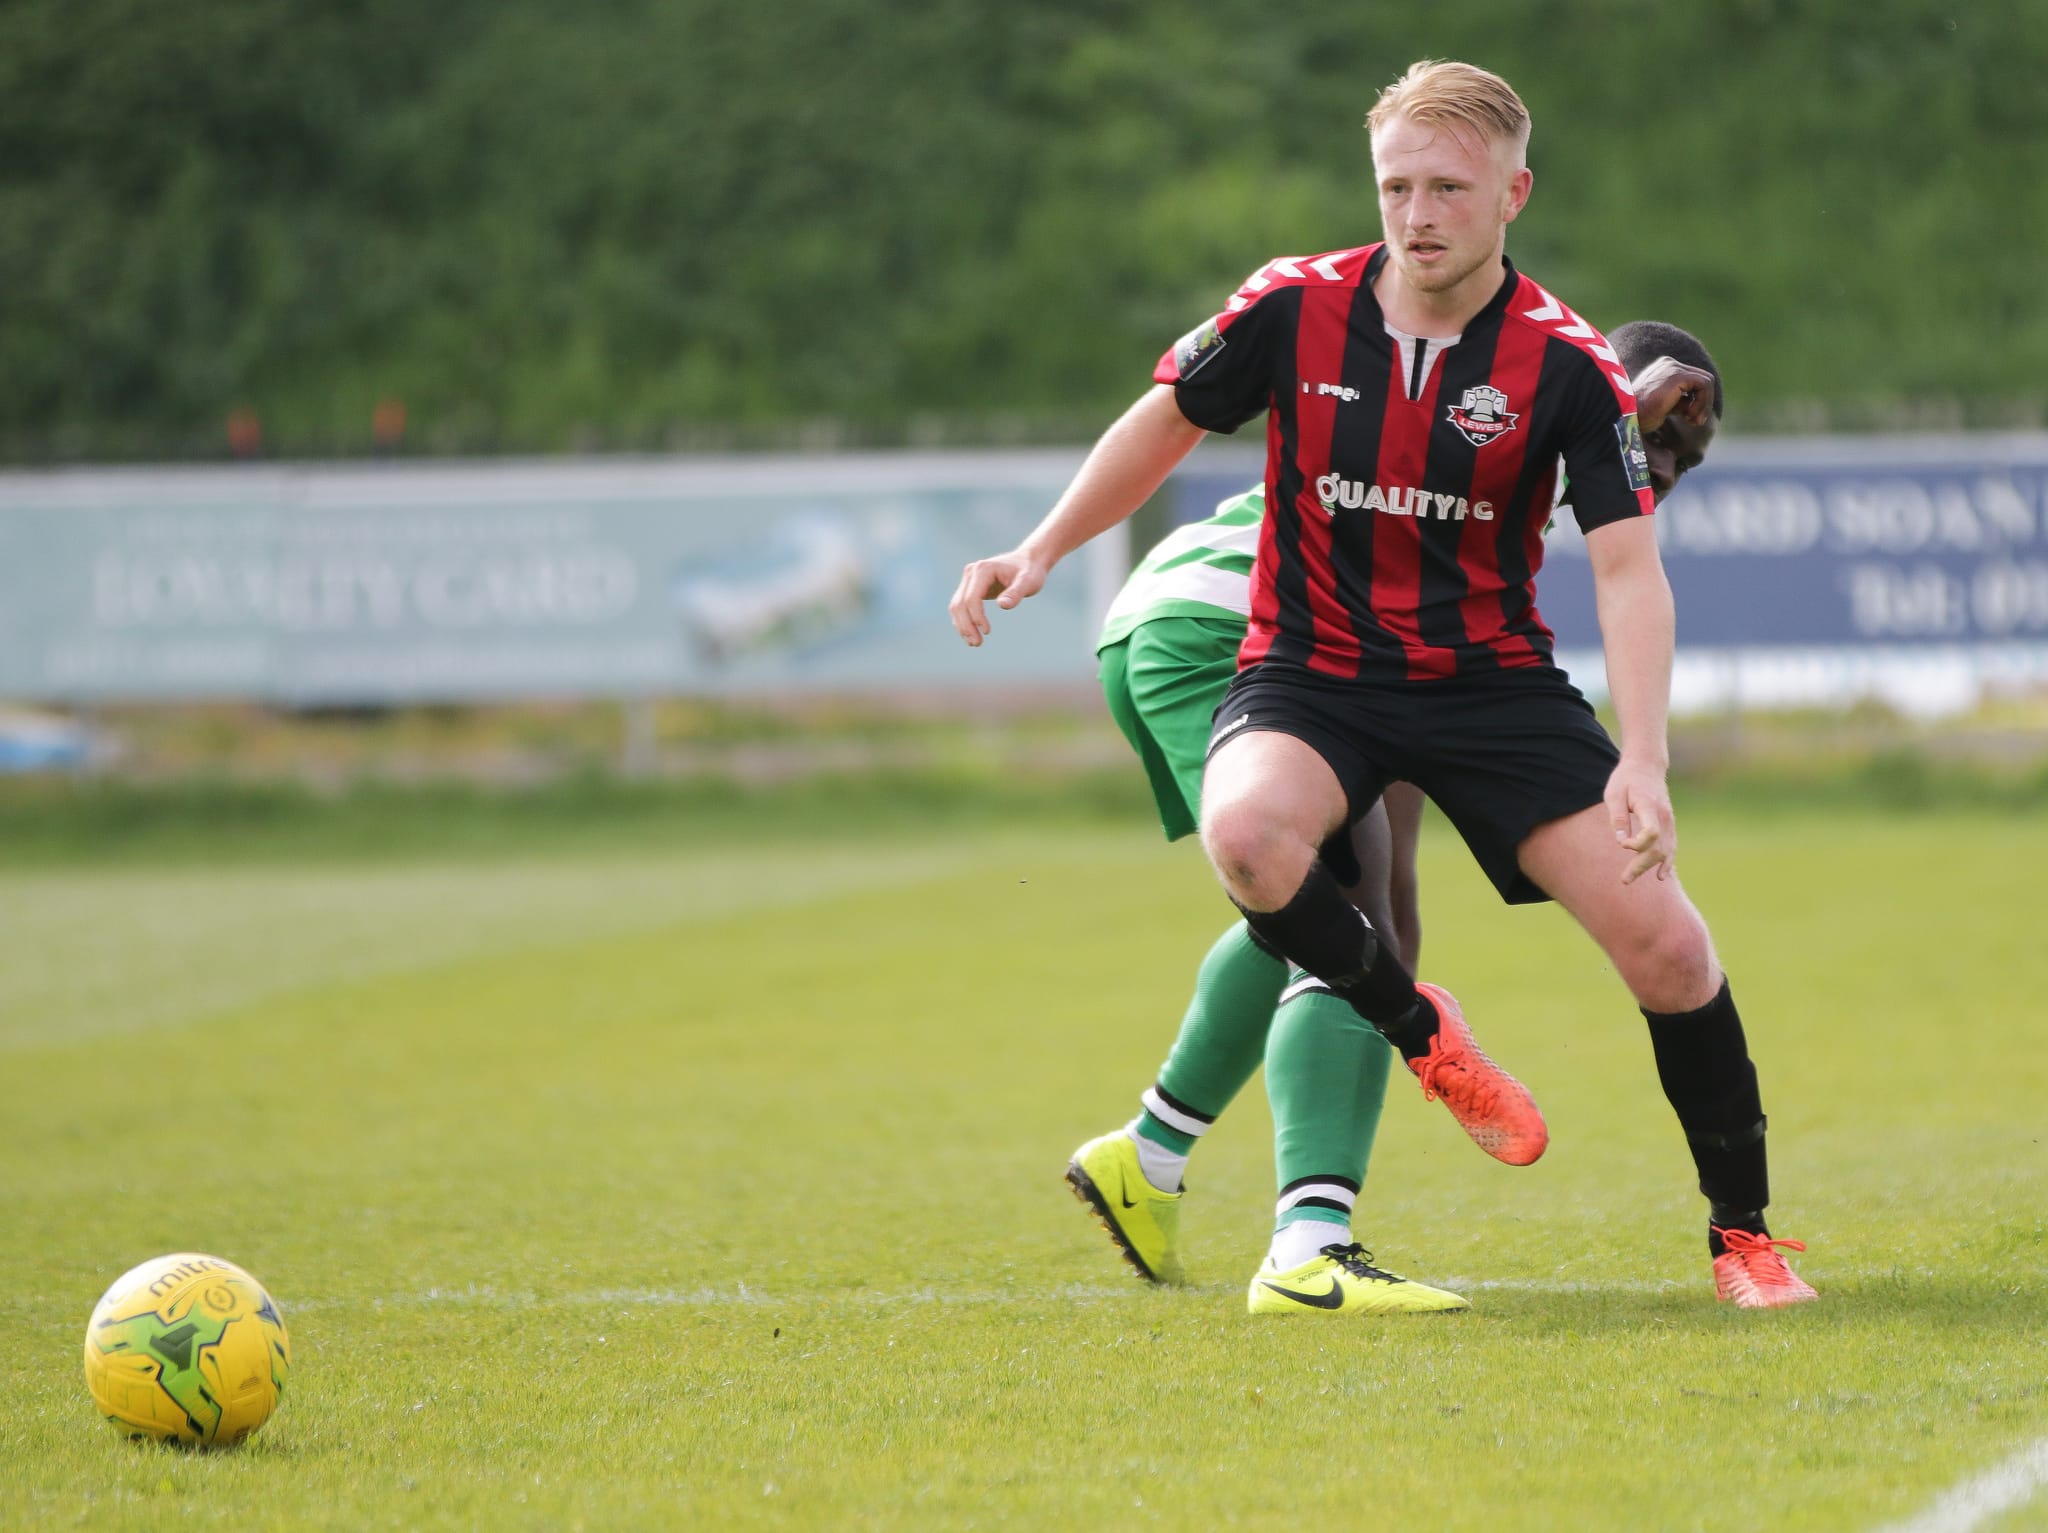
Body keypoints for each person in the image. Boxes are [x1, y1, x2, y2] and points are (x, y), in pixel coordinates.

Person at [950, 61, 1816, 1310]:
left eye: (1448, 188)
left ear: (1511, 193)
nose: (1418, 213)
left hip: (1486, 684)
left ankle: (1743, 1238)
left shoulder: (1562, 365)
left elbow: (1628, 574)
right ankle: (1418, 1043)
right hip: (1308, 669)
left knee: (1668, 948)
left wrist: (1642, 758)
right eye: (1397, 185)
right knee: (1249, 838)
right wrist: (1041, 549)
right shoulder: (1291, 306)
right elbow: (1165, 417)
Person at [1067, 322, 1724, 1317]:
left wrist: (1392, 933)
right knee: (1345, 924)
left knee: (1341, 917)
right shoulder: (1541, 431)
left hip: (1182, 609)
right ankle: (1306, 1248)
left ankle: (1148, 1157)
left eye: (1688, 454)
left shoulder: (1528, 454)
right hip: (1221, 624)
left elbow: (1411, 712)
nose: (1664, 466)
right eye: (1658, 438)